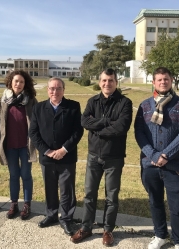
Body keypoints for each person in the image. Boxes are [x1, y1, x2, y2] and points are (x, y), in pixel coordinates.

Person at [70, 68, 133, 247]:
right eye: (104, 80)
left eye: (111, 80)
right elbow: (84, 122)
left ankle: (108, 230)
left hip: (114, 158)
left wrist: (97, 128)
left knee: (111, 197)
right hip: (93, 157)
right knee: (89, 194)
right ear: (100, 82)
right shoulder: (93, 101)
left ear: (116, 82)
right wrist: (105, 122)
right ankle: (86, 227)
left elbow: (121, 128)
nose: (107, 84)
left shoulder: (125, 103)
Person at [134, 67, 179, 249]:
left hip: (174, 165)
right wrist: (153, 155)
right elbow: (139, 132)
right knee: (155, 202)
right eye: (159, 79)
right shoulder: (145, 106)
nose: (162, 82)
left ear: (171, 80)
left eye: (166, 79)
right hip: (149, 164)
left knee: (177, 207)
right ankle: (160, 234)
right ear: (153, 82)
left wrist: (166, 154)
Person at [29, 77, 83, 236]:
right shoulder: (38, 108)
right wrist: (47, 151)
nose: (55, 91)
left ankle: (66, 218)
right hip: (47, 157)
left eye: (58, 88)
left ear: (63, 90)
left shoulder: (73, 106)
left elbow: (77, 131)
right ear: (47, 90)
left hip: (66, 156)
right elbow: (33, 132)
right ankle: (51, 215)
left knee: (67, 189)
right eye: (52, 88)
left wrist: (64, 149)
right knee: (50, 188)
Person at [0, 70, 37, 220]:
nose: (18, 84)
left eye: (21, 82)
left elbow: (37, 120)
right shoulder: (3, 100)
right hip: (10, 145)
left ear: (25, 84)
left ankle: (27, 204)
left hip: (26, 145)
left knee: (26, 174)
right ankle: (14, 203)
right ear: (10, 82)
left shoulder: (30, 100)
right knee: (13, 175)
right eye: (16, 81)